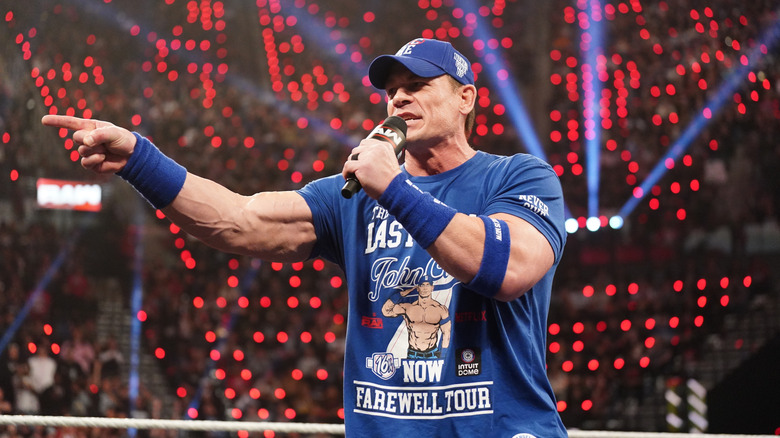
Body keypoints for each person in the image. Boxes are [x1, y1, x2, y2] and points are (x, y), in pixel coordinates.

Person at [42, 38, 568, 437]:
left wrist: (394, 187)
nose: (400, 99)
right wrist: (140, 160)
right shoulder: (355, 193)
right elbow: (238, 221)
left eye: (419, 85)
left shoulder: (518, 177)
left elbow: (510, 268)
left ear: (466, 99)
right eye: (392, 91)